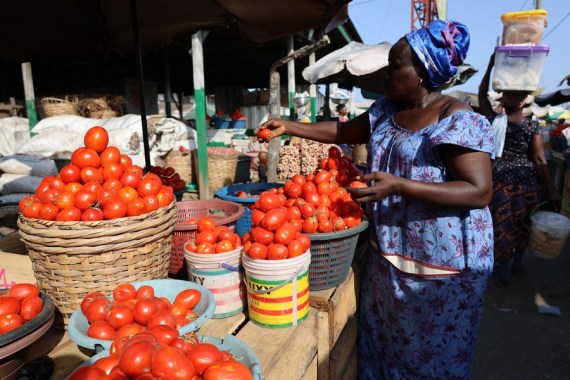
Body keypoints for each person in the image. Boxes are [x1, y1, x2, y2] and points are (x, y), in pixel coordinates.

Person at [256, 20, 494, 379]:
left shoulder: (456, 117)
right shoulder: (386, 110)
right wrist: (289, 127)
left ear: (422, 72)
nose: (385, 74)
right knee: (388, 343)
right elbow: (344, 131)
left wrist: (400, 185)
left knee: (432, 356)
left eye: (395, 65)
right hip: (390, 256)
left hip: (443, 263)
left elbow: (478, 190)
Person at [478, 52, 560, 287]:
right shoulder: (531, 126)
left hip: (501, 183)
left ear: (502, 100)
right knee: (525, 225)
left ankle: (501, 271)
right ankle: (516, 266)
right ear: (524, 102)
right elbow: (539, 160)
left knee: (502, 227)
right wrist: (551, 190)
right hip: (527, 184)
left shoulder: (493, 120)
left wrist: (491, 65)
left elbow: (483, 94)